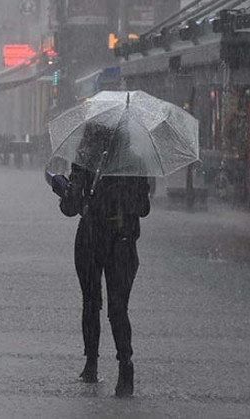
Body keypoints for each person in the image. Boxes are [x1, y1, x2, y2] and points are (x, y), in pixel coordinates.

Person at [58, 123, 150, 397]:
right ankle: (125, 366)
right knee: (118, 308)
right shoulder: (136, 163)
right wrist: (122, 200)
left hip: (91, 239)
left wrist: (64, 190)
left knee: (91, 302)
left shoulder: (86, 160)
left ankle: (91, 364)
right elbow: (144, 208)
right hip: (123, 242)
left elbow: (70, 207)